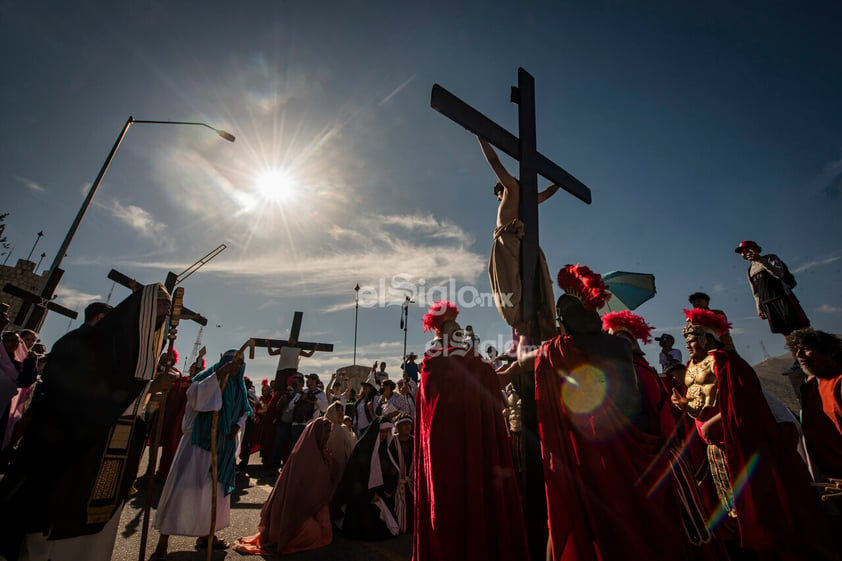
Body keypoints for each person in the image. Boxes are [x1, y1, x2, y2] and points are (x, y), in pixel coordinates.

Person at [501, 265, 717, 561]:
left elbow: (527, 359)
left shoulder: (559, 349)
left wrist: (525, 337)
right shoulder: (613, 346)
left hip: (598, 461)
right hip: (637, 457)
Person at [0, 284, 174, 561]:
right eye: (162, 303)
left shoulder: (138, 355)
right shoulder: (86, 343)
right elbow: (84, 395)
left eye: (168, 304)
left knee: (94, 542)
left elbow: (139, 415)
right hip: (73, 452)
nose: (168, 310)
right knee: (52, 532)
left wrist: (155, 395)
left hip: (111, 460)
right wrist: (148, 388)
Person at [672, 308, 835, 560]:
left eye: (693, 340)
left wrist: (718, 420)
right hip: (717, 452)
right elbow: (702, 402)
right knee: (734, 511)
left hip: (743, 446)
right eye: (687, 341)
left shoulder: (727, 362)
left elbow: (743, 403)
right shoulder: (691, 366)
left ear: (707, 337)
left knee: (762, 507)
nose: (689, 345)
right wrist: (683, 403)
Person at [413, 301, 527, 561]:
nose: (462, 336)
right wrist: (518, 367)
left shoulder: (429, 366)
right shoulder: (467, 362)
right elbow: (491, 379)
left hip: (441, 456)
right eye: (457, 331)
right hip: (465, 450)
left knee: (444, 511)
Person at [151, 348, 252, 558]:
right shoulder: (206, 378)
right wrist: (219, 375)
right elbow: (196, 398)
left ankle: (207, 535)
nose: (236, 365)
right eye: (232, 361)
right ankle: (163, 540)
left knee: (212, 493)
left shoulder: (239, 387)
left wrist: (237, 425)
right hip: (198, 445)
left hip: (222, 448)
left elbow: (245, 410)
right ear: (224, 361)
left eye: (240, 362)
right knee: (183, 489)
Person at [479, 136, 559, 341]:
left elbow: (494, 161)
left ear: (501, 189)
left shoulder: (510, 189)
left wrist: (480, 135)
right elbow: (548, 192)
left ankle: (519, 322)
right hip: (525, 243)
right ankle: (537, 322)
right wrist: (559, 181)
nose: (499, 197)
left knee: (507, 285)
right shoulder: (529, 199)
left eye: (499, 192)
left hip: (508, 242)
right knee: (531, 283)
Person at [234, 417, 334, 556]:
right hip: (295, 516)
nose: (328, 436)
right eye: (326, 432)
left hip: (298, 512)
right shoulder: (307, 456)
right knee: (317, 533)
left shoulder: (314, 450)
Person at [787, 328, 842, 479]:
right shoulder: (809, 390)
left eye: (806, 349)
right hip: (830, 475)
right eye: (796, 350)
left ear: (830, 352)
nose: (799, 355)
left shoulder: (839, 382)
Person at [735, 240, 810, 336]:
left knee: (801, 326)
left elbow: (779, 273)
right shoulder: (749, 271)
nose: (744, 253)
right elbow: (755, 291)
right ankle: (795, 349)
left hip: (783, 296)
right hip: (767, 302)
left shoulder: (771, 258)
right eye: (741, 252)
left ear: (755, 249)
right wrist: (759, 306)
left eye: (746, 250)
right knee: (784, 331)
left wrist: (760, 260)